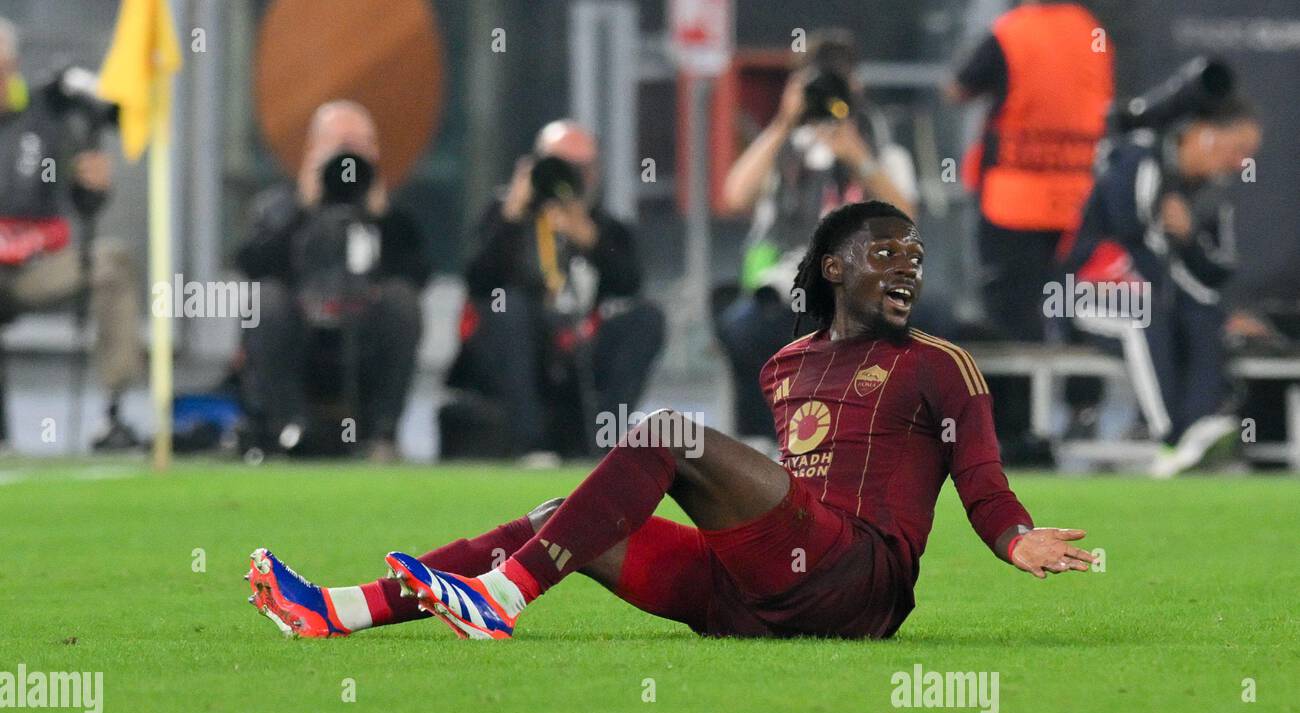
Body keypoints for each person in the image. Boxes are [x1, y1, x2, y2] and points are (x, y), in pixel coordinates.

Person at [246, 201, 1095, 641]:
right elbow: (783, 489)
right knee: (564, 524)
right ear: (835, 266)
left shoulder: (939, 363)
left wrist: (1016, 536)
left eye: (915, 258)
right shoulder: (784, 363)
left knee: (665, 434)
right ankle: (336, 608)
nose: (906, 269)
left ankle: (500, 598)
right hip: (756, 593)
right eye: (886, 254)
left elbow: (980, 477)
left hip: (858, 581)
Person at [719, 30, 918, 444]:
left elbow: (906, 218)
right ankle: (763, 441)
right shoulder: (782, 148)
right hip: (786, 285)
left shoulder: (879, 148)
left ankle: (872, 438)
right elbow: (735, 195)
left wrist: (858, 158)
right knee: (744, 327)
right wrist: (783, 122)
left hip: (862, 286)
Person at [1060, 95, 1262, 477]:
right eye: (1237, 150)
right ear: (1202, 135)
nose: (1241, 163)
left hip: (1155, 297)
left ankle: (1199, 428)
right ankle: (1169, 438)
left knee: (1204, 318)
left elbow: (1213, 273)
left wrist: (1189, 237)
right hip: (1085, 293)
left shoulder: (1212, 198)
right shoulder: (1138, 160)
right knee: (1143, 315)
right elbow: (1127, 238)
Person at [949, 1, 1113, 462]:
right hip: (1079, 195)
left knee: (1011, 312)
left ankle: (1017, 426)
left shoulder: (1012, 31)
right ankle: (1085, 410)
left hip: (1015, 195)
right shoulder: (1091, 30)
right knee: (1080, 306)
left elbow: (959, 87)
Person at [452, 119, 664, 460]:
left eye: (581, 167)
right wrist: (513, 214)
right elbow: (477, 281)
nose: (569, 175)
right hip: (519, 348)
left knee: (646, 318)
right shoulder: (503, 215)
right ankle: (531, 445)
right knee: (509, 308)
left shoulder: (607, 227)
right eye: (557, 164)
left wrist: (591, 240)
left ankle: (605, 443)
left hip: (582, 345)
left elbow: (630, 285)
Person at [235, 100, 429, 461]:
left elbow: (417, 276)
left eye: (362, 145)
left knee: (401, 301)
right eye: (342, 145)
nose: (351, 157)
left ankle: (380, 435)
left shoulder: (388, 212)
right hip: (300, 334)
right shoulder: (278, 207)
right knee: (265, 301)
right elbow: (253, 265)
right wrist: (303, 206)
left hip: (364, 334)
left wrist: (380, 217)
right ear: (313, 150)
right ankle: (287, 427)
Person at [0, 17, 142, 449]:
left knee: (112, 262)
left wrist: (92, 186)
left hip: (34, 266)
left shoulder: (46, 113)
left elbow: (81, 200)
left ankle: (115, 412)